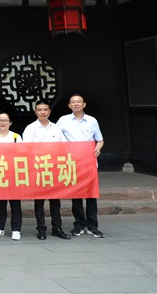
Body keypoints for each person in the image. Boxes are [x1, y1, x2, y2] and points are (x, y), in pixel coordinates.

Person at [22, 100, 72, 241]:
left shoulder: (56, 128)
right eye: (40, 109)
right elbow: (27, 149)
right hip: (38, 169)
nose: (42, 112)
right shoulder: (30, 128)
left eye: (45, 109)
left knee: (55, 201)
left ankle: (57, 227)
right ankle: (41, 229)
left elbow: (64, 147)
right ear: (35, 111)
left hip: (54, 168)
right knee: (39, 202)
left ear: (49, 111)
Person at [57, 94, 105, 238]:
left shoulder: (92, 120)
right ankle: (79, 225)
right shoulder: (63, 120)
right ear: (69, 105)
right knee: (76, 195)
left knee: (91, 196)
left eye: (79, 102)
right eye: (73, 102)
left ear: (84, 104)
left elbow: (100, 140)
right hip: (72, 163)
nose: (76, 104)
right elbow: (56, 138)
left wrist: (98, 148)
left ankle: (92, 226)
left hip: (89, 163)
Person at [0, 112, 23, 241]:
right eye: (0, 120)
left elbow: (22, 155)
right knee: (0, 203)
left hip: (13, 174)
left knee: (15, 204)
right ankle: (0, 227)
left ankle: (16, 229)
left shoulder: (16, 137)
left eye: (5, 120)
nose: (3, 123)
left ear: (10, 122)